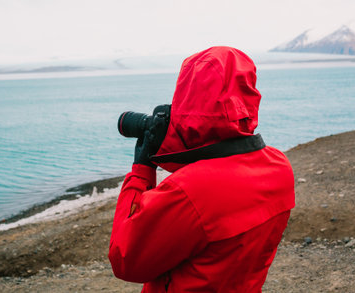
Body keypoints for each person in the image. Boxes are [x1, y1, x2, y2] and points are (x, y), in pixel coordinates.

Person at [108, 46, 295, 292]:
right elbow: (220, 176)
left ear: (186, 96)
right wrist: (173, 143)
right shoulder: (279, 166)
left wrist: (142, 169)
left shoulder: (187, 192)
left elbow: (126, 260)